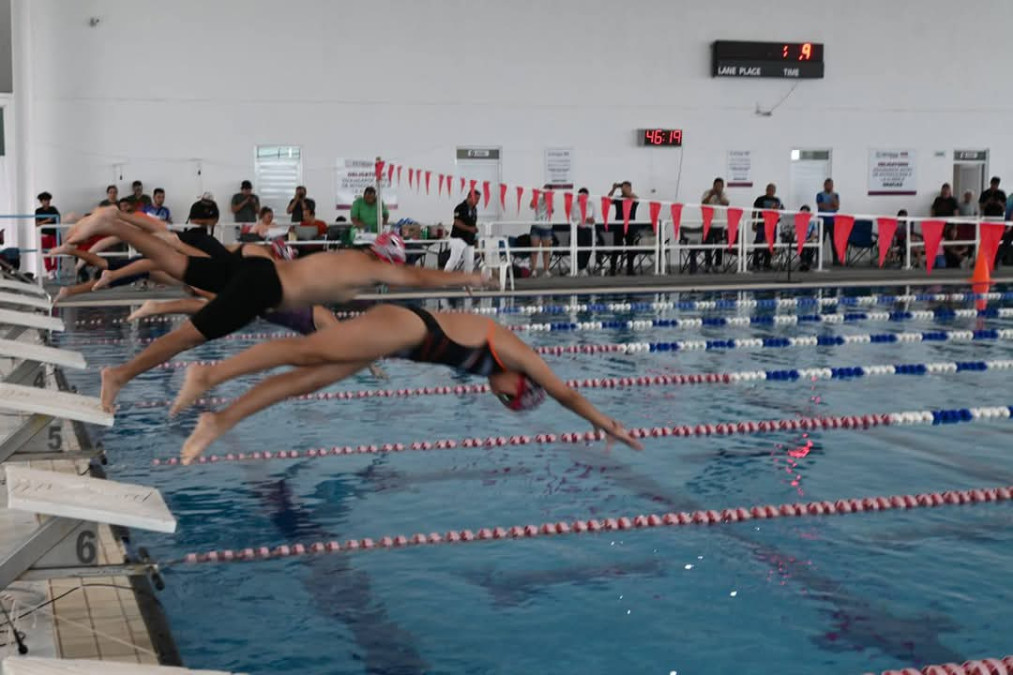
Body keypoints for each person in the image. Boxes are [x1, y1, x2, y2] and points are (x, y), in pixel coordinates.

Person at [65, 206, 487, 412]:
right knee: (185, 337)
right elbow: (416, 280)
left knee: (177, 262)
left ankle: (114, 223)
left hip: (257, 270)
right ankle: (117, 375)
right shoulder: (366, 268)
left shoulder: (348, 258)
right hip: (261, 287)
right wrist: (467, 278)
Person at [171, 304, 644, 463]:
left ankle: (219, 419)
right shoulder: (516, 353)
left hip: (396, 343)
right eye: (506, 398)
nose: (497, 396)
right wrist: (609, 425)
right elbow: (566, 393)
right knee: (306, 352)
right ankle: (208, 374)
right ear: (517, 384)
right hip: (407, 328)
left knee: (306, 381)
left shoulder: (494, 369)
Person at [606, 181, 641, 276]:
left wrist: (627, 192)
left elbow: (636, 198)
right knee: (616, 248)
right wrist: (613, 188)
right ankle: (612, 269)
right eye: (622, 187)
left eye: (626, 187)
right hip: (619, 226)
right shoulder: (618, 199)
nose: (623, 189)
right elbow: (607, 200)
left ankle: (630, 269)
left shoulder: (632, 198)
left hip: (630, 226)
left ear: (630, 188)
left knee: (630, 248)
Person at [444, 189, 479, 272]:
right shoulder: (460, 207)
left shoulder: (474, 209)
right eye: (476, 199)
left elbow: (472, 223)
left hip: (469, 239)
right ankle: (444, 278)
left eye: (478, 199)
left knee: (470, 262)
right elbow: (457, 223)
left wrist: (474, 231)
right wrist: (469, 228)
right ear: (470, 197)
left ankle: (467, 282)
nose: (477, 201)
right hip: (458, 237)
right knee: (454, 259)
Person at [751, 183, 783, 271]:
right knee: (758, 243)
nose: (771, 191)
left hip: (772, 226)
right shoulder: (760, 199)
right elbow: (754, 211)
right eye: (769, 189)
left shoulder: (777, 200)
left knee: (770, 244)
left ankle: (767, 263)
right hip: (761, 225)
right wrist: (754, 223)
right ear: (766, 190)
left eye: (773, 190)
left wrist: (778, 212)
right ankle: (755, 263)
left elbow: (782, 211)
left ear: (775, 191)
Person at [572, 187, 597, 276]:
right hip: (579, 229)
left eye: (585, 195)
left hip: (589, 229)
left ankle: (584, 266)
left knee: (589, 248)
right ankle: (581, 268)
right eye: (581, 195)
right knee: (581, 249)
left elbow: (595, 217)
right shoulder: (575, 205)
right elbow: (574, 218)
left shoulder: (591, 204)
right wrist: (585, 219)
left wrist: (592, 220)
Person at [529, 184, 553, 277]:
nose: (545, 193)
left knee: (546, 251)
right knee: (534, 250)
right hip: (536, 227)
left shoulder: (551, 201)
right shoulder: (538, 199)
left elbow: (552, 209)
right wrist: (535, 195)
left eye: (548, 191)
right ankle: (533, 270)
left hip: (547, 228)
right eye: (544, 191)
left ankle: (546, 270)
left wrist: (548, 198)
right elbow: (531, 205)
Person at [35, 192, 60, 277]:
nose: (48, 202)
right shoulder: (38, 211)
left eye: (49, 200)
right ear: (41, 201)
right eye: (45, 200)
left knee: (58, 252)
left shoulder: (53, 209)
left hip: (54, 235)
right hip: (44, 236)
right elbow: (37, 224)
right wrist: (47, 220)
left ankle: (56, 269)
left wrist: (44, 222)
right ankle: (49, 271)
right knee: (46, 254)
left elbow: (58, 219)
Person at [816, 178, 841, 265]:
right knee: (820, 240)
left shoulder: (835, 195)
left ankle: (835, 260)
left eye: (831, 185)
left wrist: (832, 202)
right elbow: (821, 206)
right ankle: (817, 260)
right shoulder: (819, 195)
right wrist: (832, 206)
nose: (830, 186)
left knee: (834, 241)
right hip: (822, 220)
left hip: (833, 221)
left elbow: (837, 207)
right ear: (824, 185)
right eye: (828, 185)